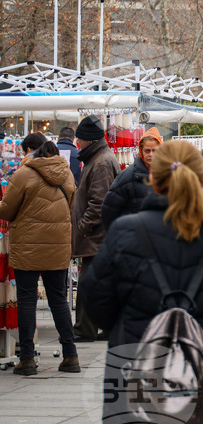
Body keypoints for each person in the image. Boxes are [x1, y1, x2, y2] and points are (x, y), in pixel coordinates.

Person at [80, 139, 203, 423]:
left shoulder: (124, 233)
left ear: (153, 179)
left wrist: (130, 326)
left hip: (135, 376)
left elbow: (95, 303)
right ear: (202, 178)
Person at [0, 136, 79, 375]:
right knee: (58, 300)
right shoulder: (67, 175)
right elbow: (71, 203)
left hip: (28, 246)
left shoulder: (23, 174)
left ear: (31, 152)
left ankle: (27, 359)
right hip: (58, 245)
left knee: (27, 300)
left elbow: (7, 209)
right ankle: (70, 355)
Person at [71, 114, 119, 342]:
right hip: (98, 235)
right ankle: (107, 327)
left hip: (97, 236)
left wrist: (82, 227)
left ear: (88, 140)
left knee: (89, 284)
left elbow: (99, 203)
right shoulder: (99, 158)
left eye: (79, 139)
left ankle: (85, 329)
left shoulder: (100, 162)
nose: (77, 143)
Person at [101, 126, 161, 228]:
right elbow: (109, 209)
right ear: (141, 151)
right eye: (147, 151)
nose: (151, 154)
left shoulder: (167, 175)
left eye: (154, 151)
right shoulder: (127, 176)